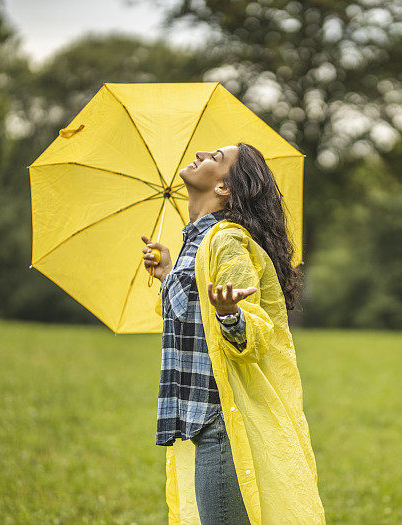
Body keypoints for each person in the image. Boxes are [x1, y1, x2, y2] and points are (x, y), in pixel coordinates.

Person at [140, 143, 325, 524]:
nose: (202, 153)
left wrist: (231, 314)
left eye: (215, 157)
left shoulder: (226, 242)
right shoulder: (197, 243)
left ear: (224, 187)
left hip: (221, 422)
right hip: (200, 420)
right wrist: (168, 273)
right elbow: (189, 317)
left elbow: (256, 335)